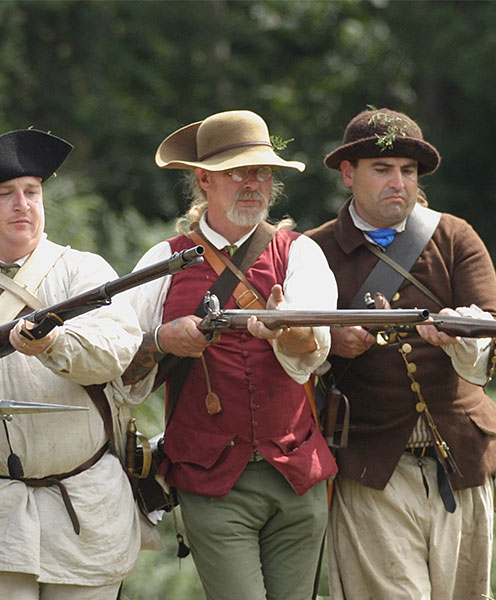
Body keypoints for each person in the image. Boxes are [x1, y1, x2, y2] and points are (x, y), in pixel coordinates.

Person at [0, 128, 144, 599]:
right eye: (5, 194)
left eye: (32, 192)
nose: (23, 205)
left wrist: (55, 343)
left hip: (87, 508)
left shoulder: (86, 272)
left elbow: (118, 349)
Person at [115, 110, 339, 600]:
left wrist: (288, 330)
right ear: (203, 180)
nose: (253, 183)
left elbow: (315, 348)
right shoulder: (163, 261)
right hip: (210, 479)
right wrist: (161, 340)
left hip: (296, 472)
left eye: (262, 172)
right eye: (239, 171)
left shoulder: (299, 253)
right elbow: (116, 361)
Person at [307, 107, 496, 600]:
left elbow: (495, 334)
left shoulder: (455, 236)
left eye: (408, 171)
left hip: (463, 461)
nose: (399, 182)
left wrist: (464, 336)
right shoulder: (313, 251)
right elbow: (294, 348)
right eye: (382, 168)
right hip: (371, 466)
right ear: (348, 174)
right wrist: (333, 343)